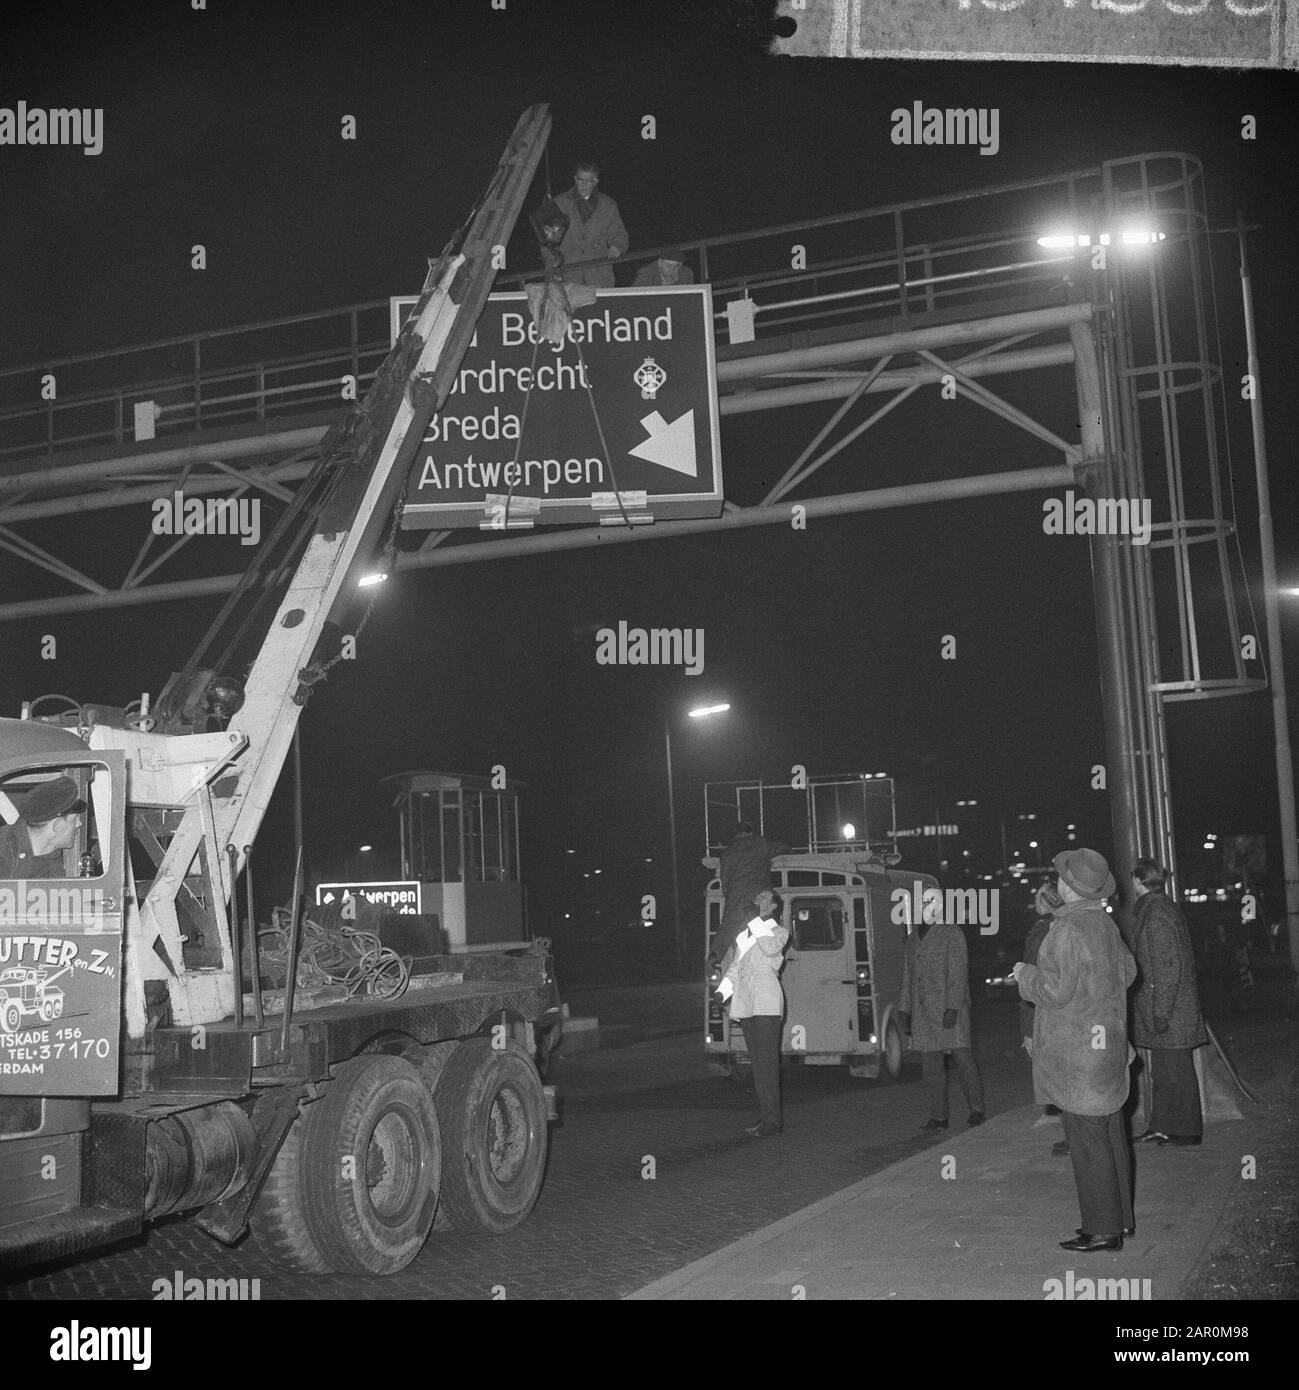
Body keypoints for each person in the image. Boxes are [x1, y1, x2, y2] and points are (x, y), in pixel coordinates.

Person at [1014, 848, 1137, 1253]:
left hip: (1079, 1058)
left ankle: (1102, 1230)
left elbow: (1052, 990)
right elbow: (1130, 971)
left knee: (1087, 1145)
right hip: (1110, 1049)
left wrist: (1023, 974)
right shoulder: (1104, 924)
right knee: (1112, 1137)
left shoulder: (1065, 930)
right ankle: (1122, 1221)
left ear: (1068, 886)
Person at [1130, 858, 1207, 1147]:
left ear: (1139, 880)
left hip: (1171, 1011)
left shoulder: (1156, 914)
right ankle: (1162, 1125)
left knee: (1176, 1072)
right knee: (1164, 1071)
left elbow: (1167, 967)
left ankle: (1187, 1131)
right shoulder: (1161, 908)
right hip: (1173, 1008)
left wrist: (1161, 1012)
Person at [900, 885, 985, 1131]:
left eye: (930, 901)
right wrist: (904, 1007)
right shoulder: (914, 937)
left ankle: (976, 1109)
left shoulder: (951, 933)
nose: (926, 906)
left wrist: (953, 1007)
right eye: (923, 902)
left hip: (950, 1009)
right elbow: (907, 975)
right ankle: (939, 1116)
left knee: (963, 1059)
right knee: (931, 1065)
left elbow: (959, 973)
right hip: (924, 1010)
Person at [716, 889, 788, 1137]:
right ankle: (767, 1118)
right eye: (757, 896)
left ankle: (773, 1122)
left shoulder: (779, 932)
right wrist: (722, 991)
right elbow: (736, 967)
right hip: (747, 1005)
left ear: (775, 905)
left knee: (767, 1064)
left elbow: (769, 949)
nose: (758, 899)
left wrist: (755, 921)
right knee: (758, 1065)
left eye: (765, 897)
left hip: (766, 1004)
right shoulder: (746, 935)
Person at [1021, 878, 1069, 1156]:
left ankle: (1069, 1132)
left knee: (1052, 1074)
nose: (1034, 901)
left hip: (1041, 1012)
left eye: (1039, 897)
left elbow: (1030, 980)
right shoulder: (1061, 926)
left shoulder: (1040, 932)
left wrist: (1027, 1028)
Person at [709, 822, 791, 967]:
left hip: (737, 898)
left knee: (729, 927)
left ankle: (714, 957)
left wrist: (731, 895)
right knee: (768, 929)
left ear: (735, 834)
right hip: (760, 899)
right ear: (750, 832)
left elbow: (725, 879)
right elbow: (784, 847)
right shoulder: (762, 846)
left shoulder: (728, 853)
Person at [553, 163, 628, 288]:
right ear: (575, 179)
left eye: (589, 181)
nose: (584, 185)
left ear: (596, 181)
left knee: (601, 306)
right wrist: (552, 265)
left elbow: (619, 234)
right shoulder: (559, 203)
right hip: (567, 274)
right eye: (581, 180)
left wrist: (617, 247)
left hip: (599, 275)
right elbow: (548, 239)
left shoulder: (608, 205)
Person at [0, 776, 85, 880]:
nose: (79, 824)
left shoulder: (56, 858)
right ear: (57, 825)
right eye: (75, 819)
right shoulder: (4, 849)